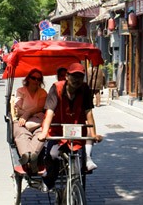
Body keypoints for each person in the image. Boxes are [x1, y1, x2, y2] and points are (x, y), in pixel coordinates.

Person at [38, 62, 102, 192]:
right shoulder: (56, 88)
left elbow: (88, 112)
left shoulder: (84, 89)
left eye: (80, 76)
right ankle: (49, 181)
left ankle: (76, 188)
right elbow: (49, 111)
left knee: (81, 157)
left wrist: (94, 134)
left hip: (76, 129)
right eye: (74, 76)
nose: (77, 80)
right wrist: (44, 132)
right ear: (67, 76)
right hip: (57, 130)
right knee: (53, 154)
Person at [11, 68, 47, 174]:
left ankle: (28, 157)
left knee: (41, 134)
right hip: (21, 120)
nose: (36, 81)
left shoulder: (42, 92)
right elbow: (17, 109)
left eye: (39, 79)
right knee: (21, 134)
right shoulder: (21, 91)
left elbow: (39, 108)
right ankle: (31, 157)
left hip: (37, 121)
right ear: (28, 79)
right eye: (33, 78)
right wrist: (25, 115)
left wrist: (27, 114)